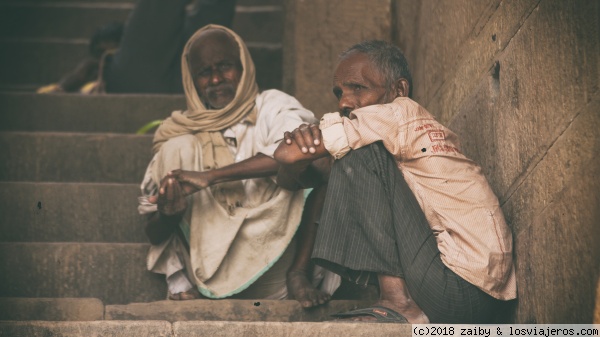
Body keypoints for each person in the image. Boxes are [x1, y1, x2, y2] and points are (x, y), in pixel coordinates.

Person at [274, 40, 517, 323]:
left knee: (356, 153)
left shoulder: (399, 113)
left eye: (358, 88)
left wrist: (299, 142)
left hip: (461, 290)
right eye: (339, 92)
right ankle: (398, 301)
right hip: (476, 296)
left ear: (399, 90)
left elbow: (286, 153)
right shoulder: (400, 135)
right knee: (347, 158)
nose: (344, 102)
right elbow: (293, 176)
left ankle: (397, 302)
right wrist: (303, 148)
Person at [138, 24, 337, 306]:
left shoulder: (272, 105)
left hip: (277, 265)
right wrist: (170, 214)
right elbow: (154, 233)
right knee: (177, 148)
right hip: (208, 272)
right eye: (205, 73)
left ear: (243, 67)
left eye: (225, 66)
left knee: (317, 162)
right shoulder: (179, 131)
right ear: (192, 81)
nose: (217, 79)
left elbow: (298, 150)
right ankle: (192, 286)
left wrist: (211, 176)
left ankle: (299, 272)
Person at [38, 0, 237, 94]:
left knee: (212, 15)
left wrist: (62, 87)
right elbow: (87, 69)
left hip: (186, 86)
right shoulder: (95, 70)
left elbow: (86, 69)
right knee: (214, 13)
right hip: (190, 88)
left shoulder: (99, 69)